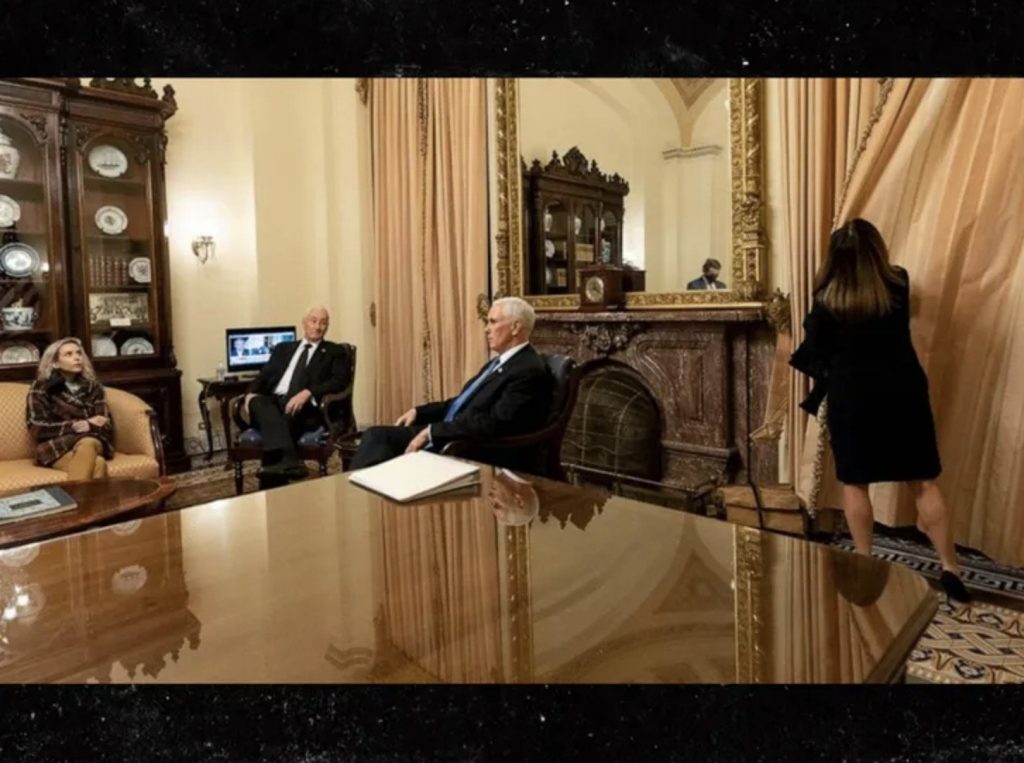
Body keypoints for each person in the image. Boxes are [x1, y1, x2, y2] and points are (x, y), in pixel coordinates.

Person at [790, 218, 971, 603]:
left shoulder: (826, 300)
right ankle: (950, 568)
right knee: (924, 482)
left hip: (853, 397)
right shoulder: (899, 283)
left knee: (856, 484)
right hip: (903, 391)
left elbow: (815, 353)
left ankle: (865, 563)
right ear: (877, 251)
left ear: (835, 259)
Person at [350, 297, 554, 472]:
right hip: (451, 432)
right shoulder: (499, 363)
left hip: (466, 445)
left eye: (493, 322)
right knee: (377, 438)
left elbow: (496, 422)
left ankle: (359, 498)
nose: (486, 329)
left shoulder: (527, 369)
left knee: (379, 443)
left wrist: (433, 432)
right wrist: (419, 412)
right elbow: (460, 403)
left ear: (515, 327)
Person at [242, 305, 350, 481]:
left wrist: (308, 392)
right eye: (313, 321)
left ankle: (274, 474)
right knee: (258, 402)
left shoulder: (334, 351)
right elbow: (264, 376)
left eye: (323, 323)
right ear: (304, 322)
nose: (318, 327)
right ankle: (291, 460)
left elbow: (339, 381)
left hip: (303, 407)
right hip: (273, 403)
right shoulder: (283, 348)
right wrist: (250, 394)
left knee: (284, 415)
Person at [26, 337, 113, 481]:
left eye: (79, 353)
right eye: (69, 354)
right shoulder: (41, 387)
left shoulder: (94, 387)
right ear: (55, 363)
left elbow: (106, 424)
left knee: (88, 442)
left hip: (92, 441)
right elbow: (37, 427)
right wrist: (75, 426)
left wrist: (89, 426)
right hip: (57, 448)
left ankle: (71, 496)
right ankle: (83, 497)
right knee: (98, 464)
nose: (77, 358)